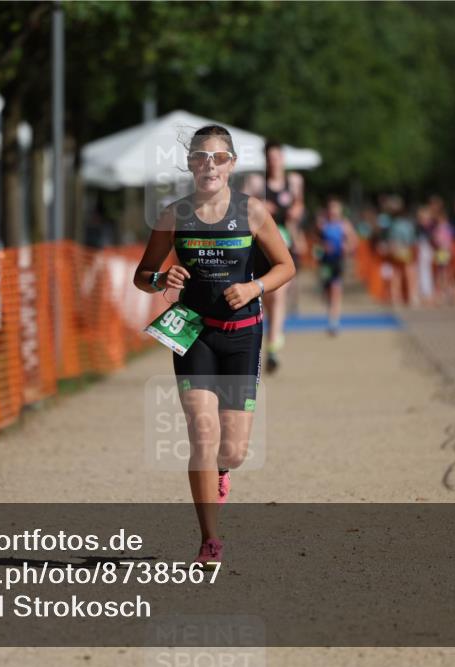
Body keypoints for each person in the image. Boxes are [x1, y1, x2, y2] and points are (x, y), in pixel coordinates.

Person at [134, 125, 295, 567]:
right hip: (194, 333)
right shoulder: (173, 215)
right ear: (190, 164)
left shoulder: (253, 212)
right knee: (201, 433)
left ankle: (221, 472)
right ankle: (209, 540)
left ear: (231, 165)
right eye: (201, 157)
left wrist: (255, 287)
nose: (209, 165)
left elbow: (287, 265)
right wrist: (162, 279)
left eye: (219, 158)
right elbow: (142, 275)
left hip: (242, 333)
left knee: (233, 451)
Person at [253, 140, 305, 374]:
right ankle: (272, 336)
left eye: (277, 157)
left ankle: (273, 347)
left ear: (282, 159)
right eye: (270, 158)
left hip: (286, 245)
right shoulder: (256, 182)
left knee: (280, 293)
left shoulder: (294, 181)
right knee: (267, 299)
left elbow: (299, 208)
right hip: (261, 247)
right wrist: (260, 207)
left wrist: (297, 212)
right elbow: (245, 208)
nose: (274, 162)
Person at [317, 196, 359, 334]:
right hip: (325, 262)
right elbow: (316, 243)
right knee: (327, 291)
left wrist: (346, 247)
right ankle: (330, 312)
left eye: (336, 208)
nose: (333, 211)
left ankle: (334, 321)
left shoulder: (344, 225)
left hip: (337, 261)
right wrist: (323, 246)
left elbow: (354, 241)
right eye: (331, 208)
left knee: (336, 290)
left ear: (340, 211)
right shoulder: (323, 224)